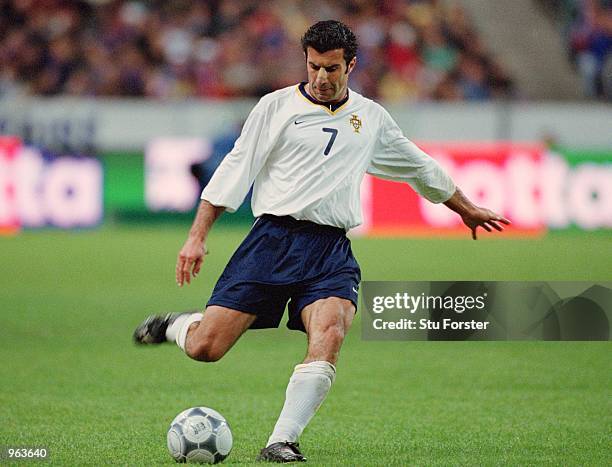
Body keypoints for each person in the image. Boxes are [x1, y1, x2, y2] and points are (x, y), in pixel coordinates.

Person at [133, 20, 510, 463]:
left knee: (330, 331)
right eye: (314, 67)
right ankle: (178, 325)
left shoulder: (370, 118)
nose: (321, 78)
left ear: (351, 65)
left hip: (331, 250)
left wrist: (466, 208)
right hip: (272, 242)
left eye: (332, 69)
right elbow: (233, 171)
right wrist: (196, 238)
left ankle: (282, 441)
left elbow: (419, 167)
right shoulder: (275, 108)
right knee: (206, 348)